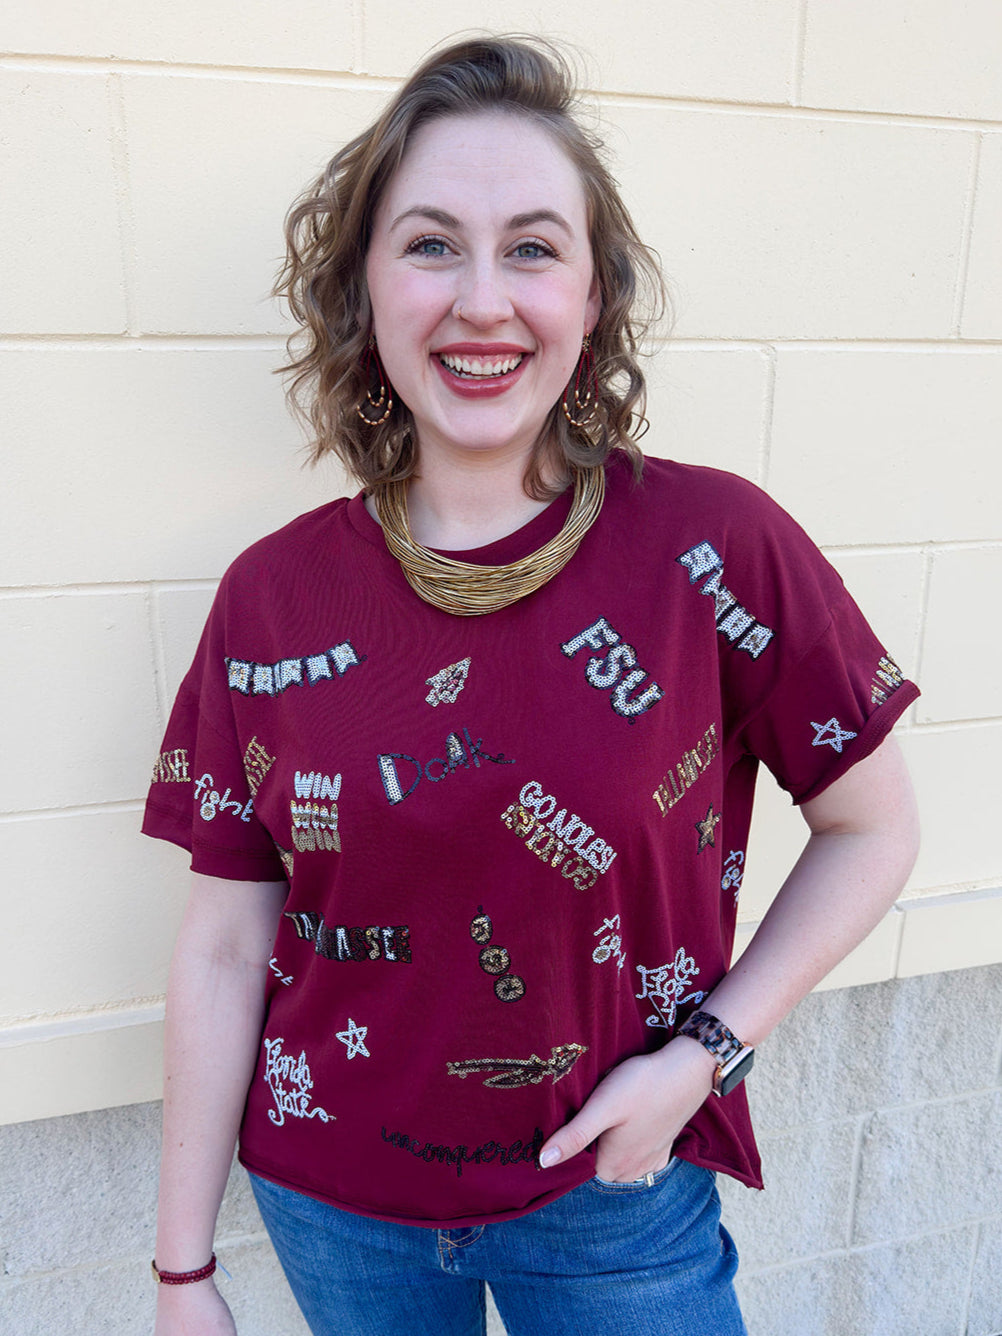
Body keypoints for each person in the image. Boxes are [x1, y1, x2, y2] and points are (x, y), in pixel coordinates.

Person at [144, 35, 920, 1336]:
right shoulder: (271, 597)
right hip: (335, 1211)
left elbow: (873, 827)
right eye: (431, 245)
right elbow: (226, 942)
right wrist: (182, 1273)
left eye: (532, 249)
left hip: (615, 1197)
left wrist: (705, 1058)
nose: (481, 300)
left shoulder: (714, 549)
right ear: (365, 289)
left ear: (593, 296)